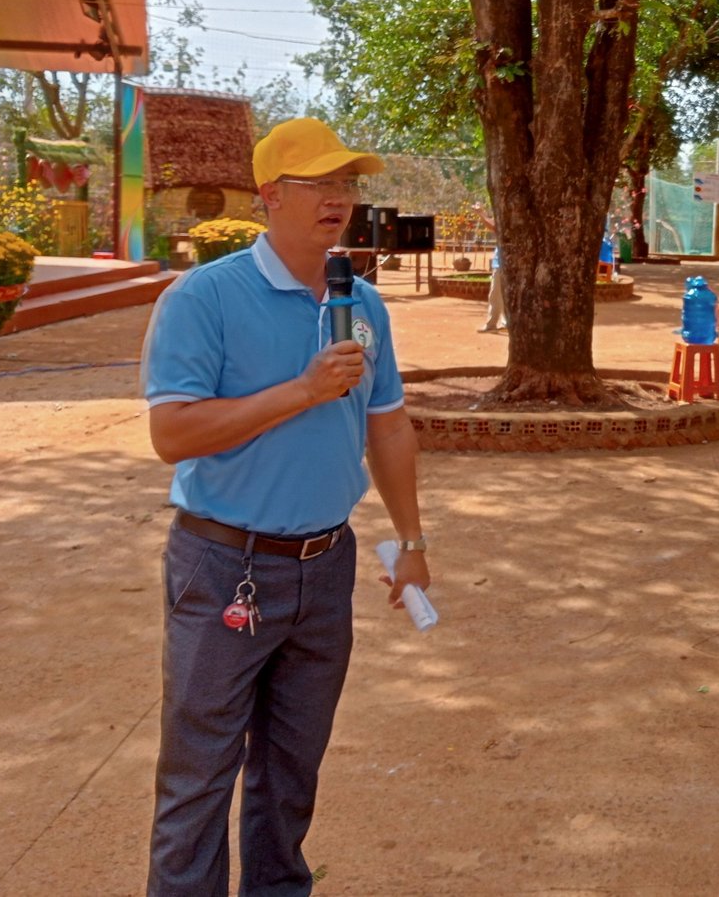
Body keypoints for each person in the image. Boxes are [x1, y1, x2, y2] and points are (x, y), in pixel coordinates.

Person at [142, 118, 431, 896]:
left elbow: (388, 424)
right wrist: (301, 390)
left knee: (289, 774)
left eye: (347, 183)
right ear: (270, 194)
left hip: (325, 566)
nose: (339, 198)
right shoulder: (203, 297)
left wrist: (411, 540)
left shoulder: (362, 304)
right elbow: (172, 433)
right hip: (223, 566)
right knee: (198, 775)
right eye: (319, 183)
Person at [477, 206, 505, 333]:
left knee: (495, 295)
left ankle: (492, 324)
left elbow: (493, 226)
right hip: (503, 262)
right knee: (503, 295)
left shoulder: (504, 218)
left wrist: (481, 214)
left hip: (501, 263)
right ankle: (505, 322)